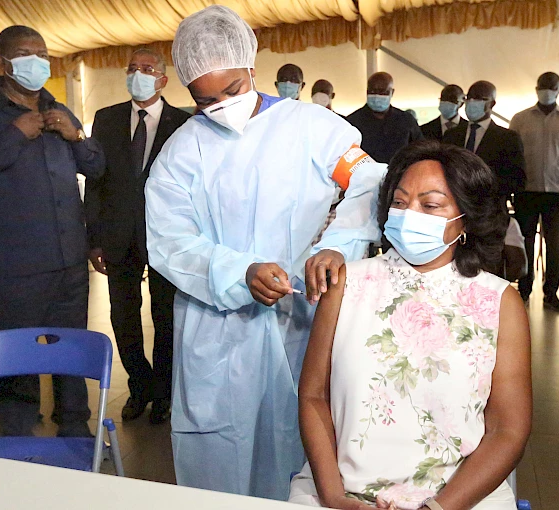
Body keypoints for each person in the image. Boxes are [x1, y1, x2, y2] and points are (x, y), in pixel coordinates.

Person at [145, 5, 387, 500]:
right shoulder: (180, 152)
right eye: (204, 99)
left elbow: (368, 181)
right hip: (216, 328)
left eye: (232, 90)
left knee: (303, 441)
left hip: (304, 311)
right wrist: (239, 272)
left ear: (251, 67)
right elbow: (170, 240)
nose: (221, 107)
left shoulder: (314, 127)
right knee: (220, 459)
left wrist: (336, 245)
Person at [290, 141, 531, 510]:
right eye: (399, 203)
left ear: (464, 218)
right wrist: (334, 496)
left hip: (459, 497)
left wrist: (440, 506)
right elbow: (313, 397)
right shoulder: (346, 284)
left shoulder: (498, 302)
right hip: (339, 490)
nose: (408, 214)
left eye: (430, 205)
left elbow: (507, 428)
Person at [0, 26, 105, 437]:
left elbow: (96, 168)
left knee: (70, 352)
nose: (35, 61)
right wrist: (14, 135)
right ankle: (17, 437)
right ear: (3, 62)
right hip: (15, 266)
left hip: (69, 260)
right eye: (24, 53)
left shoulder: (59, 108)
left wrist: (76, 135)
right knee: (17, 360)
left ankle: (76, 430)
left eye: (42, 53)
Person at [88, 48, 191, 425]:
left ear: (163, 79)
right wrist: (94, 237)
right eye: (132, 68)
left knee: (166, 318)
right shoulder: (107, 118)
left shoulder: (183, 123)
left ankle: (163, 393)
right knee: (124, 317)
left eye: (147, 69)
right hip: (117, 236)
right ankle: (139, 385)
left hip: (165, 237)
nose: (138, 74)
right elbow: (95, 182)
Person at [510, 72, 559, 311]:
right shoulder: (520, 119)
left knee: (555, 244)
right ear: (536, 88)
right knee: (526, 241)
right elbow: (513, 156)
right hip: (526, 190)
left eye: (552, 88)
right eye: (543, 87)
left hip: (557, 192)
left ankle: (551, 293)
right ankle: (524, 290)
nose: (547, 91)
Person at [442, 81, 526, 202]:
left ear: (491, 104)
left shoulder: (507, 138)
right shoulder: (452, 135)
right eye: (468, 98)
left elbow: (517, 181)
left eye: (478, 98)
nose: (471, 102)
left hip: (490, 208)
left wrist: (482, 186)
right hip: (456, 205)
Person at [346, 72, 423, 164]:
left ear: (392, 92)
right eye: (373, 91)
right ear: (367, 91)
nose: (377, 96)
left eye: (383, 92)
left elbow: (420, 151)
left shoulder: (406, 120)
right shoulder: (352, 122)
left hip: (398, 175)